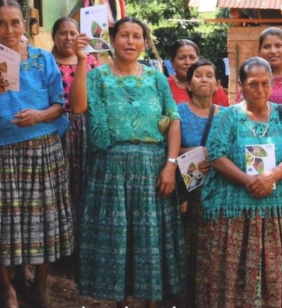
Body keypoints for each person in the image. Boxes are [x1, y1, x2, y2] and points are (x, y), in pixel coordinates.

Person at [70, 17, 186, 307]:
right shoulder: (98, 77)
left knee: (149, 238)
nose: (130, 42)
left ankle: (150, 302)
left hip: (153, 168)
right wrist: (82, 61)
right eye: (124, 35)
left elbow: (173, 120)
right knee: (117, 237)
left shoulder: (156, 78)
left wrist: (171, 165)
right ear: (112, 40)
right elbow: (78, 106)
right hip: (110, 168)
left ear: (145, 43)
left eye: (137, 36)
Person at [0, 0, 72, 308]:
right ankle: (8, 288)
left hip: (43, 151)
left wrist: (39, 116)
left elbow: (60, 104)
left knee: (44, 220)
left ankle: (40, 285)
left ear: (25, 24)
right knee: (1, 223)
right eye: (1, 22)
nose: (9, 29)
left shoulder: (43, 59)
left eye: (15, 22)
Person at [199, 56, 282, 307]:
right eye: (252, 84)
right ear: (240, 85)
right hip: (234, 214)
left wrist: (271, 176)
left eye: (265, 83)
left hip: (276, 213)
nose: (260, 90)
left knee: (273, 276)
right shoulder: (229, 116)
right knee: (234, 275)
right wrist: (248, 181)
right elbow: (216, 154)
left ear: (272, 83)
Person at [176, 59, 224, 308]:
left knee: (214, 245)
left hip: (219, 191)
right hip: (188, 191)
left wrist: (215, 159)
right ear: (188, 83)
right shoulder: (177, 113)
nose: (204, 79)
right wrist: (196, 152)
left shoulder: (227, 115)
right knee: (189, 244)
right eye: (198, 75)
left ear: (218, 84)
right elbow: (168, 149)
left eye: (209, 76)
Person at [51, 16, 100, 229]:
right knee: (61, 182)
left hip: (87, 127)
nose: (68, 38)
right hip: (57, 126)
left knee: (85, 180)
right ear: (54, 36)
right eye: (63, 33)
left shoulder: (90, 61)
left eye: (73, 33)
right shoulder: (45, 60)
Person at [237, 27, 282, 112]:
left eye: (278, 45)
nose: (273, 51)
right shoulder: (251, 77)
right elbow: (240, 110)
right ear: (259, 51)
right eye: (267, 47)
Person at [167, 38, 229, 106]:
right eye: (182, 58)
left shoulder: (211, 84)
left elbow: (225, 113)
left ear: (198, 60)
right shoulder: (165, 86)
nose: (188, 62)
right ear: (172, 62)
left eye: (192, 57)